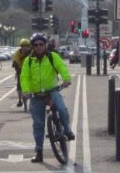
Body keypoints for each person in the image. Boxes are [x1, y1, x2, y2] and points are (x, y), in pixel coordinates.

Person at [20, 33, 75, 163]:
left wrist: (66, 79)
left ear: (45, 45)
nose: (38, 47)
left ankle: (67, 130)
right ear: (33, 47)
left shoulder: (52, 57)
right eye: (35, 45)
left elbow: (62, 67)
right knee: (38, 124)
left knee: (62, 109)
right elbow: (25, 78)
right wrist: (26, 91)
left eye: (41, 44)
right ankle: (39, 152)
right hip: (36, 95)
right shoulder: (28, 61)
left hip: (52, 91)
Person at [12, 38, 32, 108]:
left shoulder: (31, 52)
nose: (25, 47)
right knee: (19, 85)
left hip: (30, 70)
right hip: (21, 70)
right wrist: (18, 69)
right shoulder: (18, 53)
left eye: (27, 46)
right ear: (21, 46)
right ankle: (20, 100)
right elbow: (16, 61)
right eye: (23, 46)